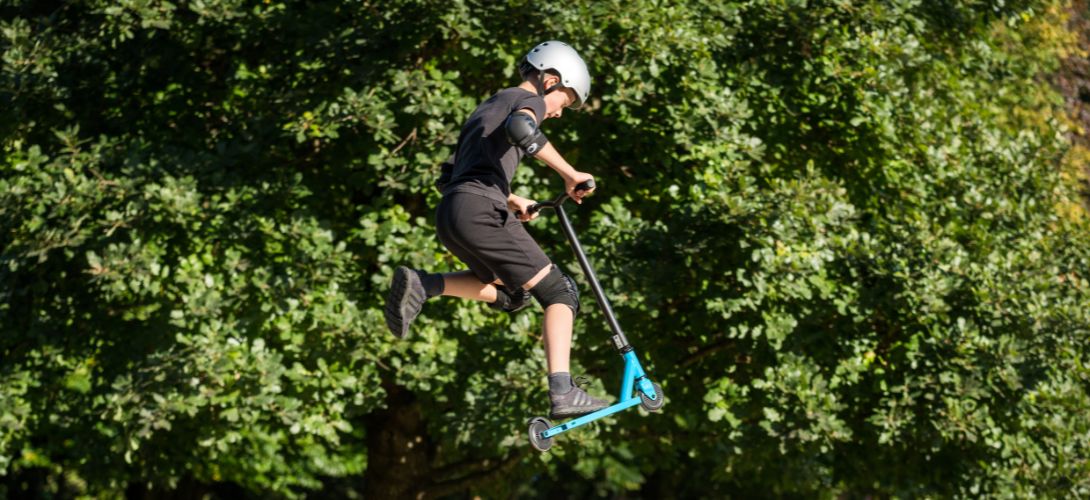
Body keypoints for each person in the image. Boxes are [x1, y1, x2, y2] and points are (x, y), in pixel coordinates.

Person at [384, 41, 609, 419]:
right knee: (560, 292)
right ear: (550, 80)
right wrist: (571, 174)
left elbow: (450, 176)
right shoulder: (529, 100)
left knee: (512, 294)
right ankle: (563, 389)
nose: (556, 115)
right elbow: (522, 128)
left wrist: (511, 198)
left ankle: (425, 285)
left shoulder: (487, 106)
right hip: (479, 210)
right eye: (564, 103)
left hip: (454, 211)